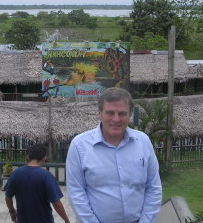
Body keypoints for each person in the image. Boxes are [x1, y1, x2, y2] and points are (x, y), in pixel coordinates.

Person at [66, 87, 162, 223]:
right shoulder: (79, 146)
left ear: (130, 115)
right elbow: (76, 193)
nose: (116, 119)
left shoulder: (143, 142)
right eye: (110, 113)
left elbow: (153, 187)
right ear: (99, 113)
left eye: (122, 114)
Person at [5, 144, 71, 223]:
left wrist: (12, 212)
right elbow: (56, 203)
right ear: (44, 158)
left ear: (28, 157)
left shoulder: (16, 173)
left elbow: (8, 198)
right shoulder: (46, 176)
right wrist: (66, 220)